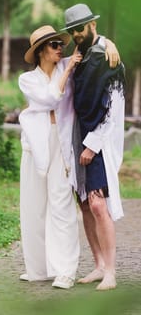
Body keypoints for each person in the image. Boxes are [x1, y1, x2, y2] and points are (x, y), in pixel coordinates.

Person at [18, 25, 119, 289]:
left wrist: (109, 43)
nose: (60, 49)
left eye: (60, 45)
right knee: (34, 207)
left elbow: (92, 46)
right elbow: (51, 99)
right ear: (41, 52)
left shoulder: (68, 64)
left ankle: (65, 270)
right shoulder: (27, 80)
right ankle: (38, 268)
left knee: (62, 205)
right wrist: (68, 71)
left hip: (63, 145)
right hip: (35, 146)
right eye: (54, 45)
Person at [61, 3, 125, 291]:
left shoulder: (107, 56)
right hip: (77, 137)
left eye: (80, 28)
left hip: (98, 138)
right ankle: (98, 265)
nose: (76, 34)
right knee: (85, 204)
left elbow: (115, 107)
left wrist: (94, 144)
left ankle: (111, 271)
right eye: (72, 30)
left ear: (92, 26)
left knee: (99, 204)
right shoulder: (78, 56)